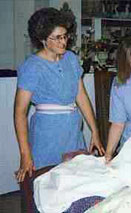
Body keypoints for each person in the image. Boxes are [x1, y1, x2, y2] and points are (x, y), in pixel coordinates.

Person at [14, 7, 105, 182]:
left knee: (75, 181)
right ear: (42, 39)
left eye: (65, 36)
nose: (63, 41)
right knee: (47, 183)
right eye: (57, 38)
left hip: (72, 132)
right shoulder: (32, 66)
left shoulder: (71, 58)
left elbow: (81, 97)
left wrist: (95, 131)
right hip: (47, 134)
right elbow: (20, 112)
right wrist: (25, 153)